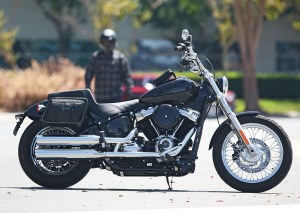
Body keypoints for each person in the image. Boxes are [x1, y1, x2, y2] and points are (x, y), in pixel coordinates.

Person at [85, 29, 133, 103]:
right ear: (102, 42)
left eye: (111, 42)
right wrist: (89, 93)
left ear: (114, 42)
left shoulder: (120, 57)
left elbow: (127, 76)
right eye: (106, 42)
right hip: (100, 98)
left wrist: (129, 90)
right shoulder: (95, 57)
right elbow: (88, 77)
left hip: (116, 97)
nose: (108, 44)